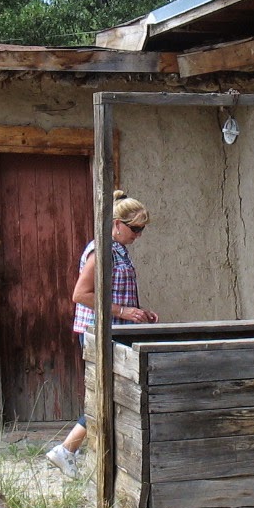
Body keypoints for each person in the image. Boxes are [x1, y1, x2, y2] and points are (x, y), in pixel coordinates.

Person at [46, 191, 158, 478]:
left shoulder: (119, 249)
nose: (139, 235)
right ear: (117, 224)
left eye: (142, 230)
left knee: (113, 393)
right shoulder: (102, 251)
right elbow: (80, 294)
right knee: (106, 393)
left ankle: (90, 454)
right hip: (99, 333)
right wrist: (124, 312)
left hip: (115, 330)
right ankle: (67, 449)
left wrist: (138, 313)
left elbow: (114, 293)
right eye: (135, 229)